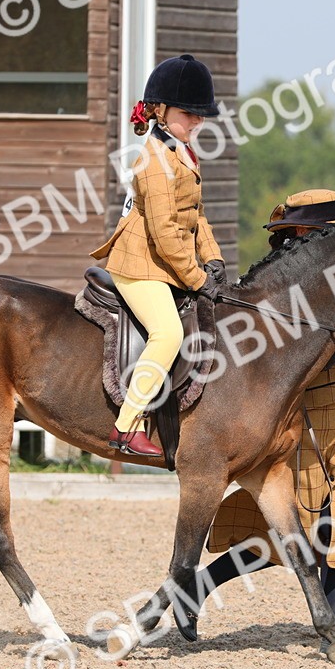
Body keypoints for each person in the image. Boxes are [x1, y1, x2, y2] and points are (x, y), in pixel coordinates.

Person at [173, 189, 335, 656]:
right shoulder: (294, 302)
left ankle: (334, 629)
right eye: (330, 233)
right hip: (305, 429)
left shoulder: (332, 293)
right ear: (304, 235)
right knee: (299, 532)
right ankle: (199, 589)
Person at [89, 54, 227, 458]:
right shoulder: (153, 159)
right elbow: (166, 233)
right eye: (189, 114)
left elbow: (197, 216)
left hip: (166, 264)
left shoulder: (183, 152)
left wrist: (213, 258)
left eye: (200, 116)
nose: (197, 122)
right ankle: (126, 426)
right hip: (139, 264)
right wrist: (197, 278)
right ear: (161, 112)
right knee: (169, 333)